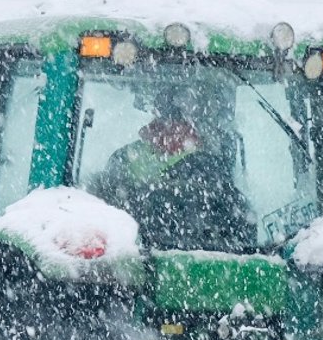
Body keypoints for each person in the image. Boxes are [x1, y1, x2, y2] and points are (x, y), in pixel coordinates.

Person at [91, 85, 253, 251]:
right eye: (167, 118)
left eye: (180, 121)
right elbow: (101, 215)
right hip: (136, 258)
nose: (174, 127)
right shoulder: (124, 159)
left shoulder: (210, 168)